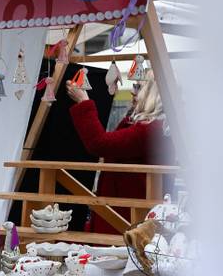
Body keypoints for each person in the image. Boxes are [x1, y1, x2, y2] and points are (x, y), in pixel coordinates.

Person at [66, 74, 175, 234]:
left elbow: (99, 143)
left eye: (138, 87)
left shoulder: (151, 130)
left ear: (152, 93)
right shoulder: (152, 127)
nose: (132, 91)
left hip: (127, 218)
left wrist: (83, 102)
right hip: (124, 215)